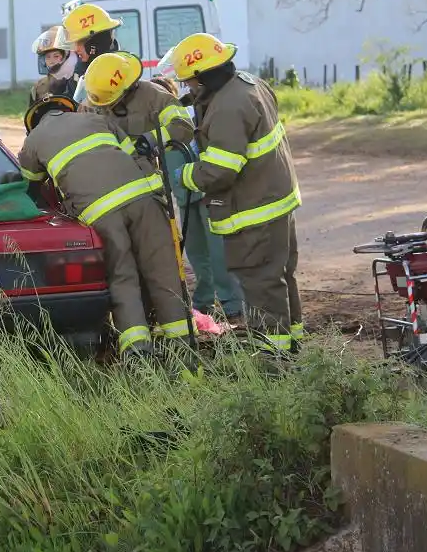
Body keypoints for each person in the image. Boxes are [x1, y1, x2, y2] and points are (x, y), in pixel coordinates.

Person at [18, 95, 192, 358]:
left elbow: (30, 188)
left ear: (34, 121)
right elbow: (136, 156)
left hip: (100, 213)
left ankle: (137, 353)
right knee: (164, 272)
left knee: (122, 278)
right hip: (143, 200)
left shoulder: (33, 141)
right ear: (68, 109)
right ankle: (185, 349)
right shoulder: (96, 118)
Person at [171, 33, 303, 353]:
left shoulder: (227, 108)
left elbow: (220, 171)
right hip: (277, 202)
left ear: (204, 76)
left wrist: (186, 175)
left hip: (254, 211)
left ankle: (274, 361)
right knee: (281, 277)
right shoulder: (250, 83)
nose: (190, 88)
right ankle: (294, 343)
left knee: (260, 285)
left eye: (191, 82)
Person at [151, 69, 246, 323]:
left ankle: (232, 305)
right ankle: (202, 303)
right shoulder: (155, 131)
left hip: (205, 195)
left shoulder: (190, 117)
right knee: (196, 255)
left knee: (218, 253)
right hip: (184, 200)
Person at [80, 51, 195, 154]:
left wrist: (150, 141)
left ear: (125, 90)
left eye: (110, 103)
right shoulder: (95, 100)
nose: (106, 108)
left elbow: (183, 127)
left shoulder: (152, 95)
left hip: (147, 170)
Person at [62, 2, 123, 93]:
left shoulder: (122, 70)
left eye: (79, 43)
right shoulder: (78, 69)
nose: (75, 49)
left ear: (96, 42)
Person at [28, 26, 78, 107]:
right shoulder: (38, 87)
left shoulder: (75, 83)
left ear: (64, 58)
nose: (51, 61)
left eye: (56, 56)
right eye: (48, 57)